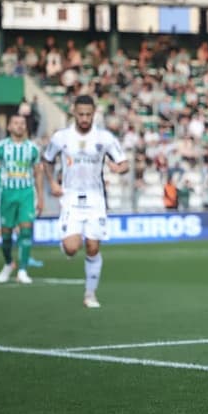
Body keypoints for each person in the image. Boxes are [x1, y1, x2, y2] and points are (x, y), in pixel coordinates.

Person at [43, 95, 129, 308]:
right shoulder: (61, 137)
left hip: (96, 199)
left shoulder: (104, 138)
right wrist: (52, 182)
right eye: (80, 114)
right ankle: (66, 244)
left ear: (94, 114)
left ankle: (90, 294)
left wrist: (119, 168)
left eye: (88, 114)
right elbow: (46, 160)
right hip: (70, 197)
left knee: (92, 246)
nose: (84, 118)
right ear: (73, 112)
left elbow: (124, 162)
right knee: (73, 248)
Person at [0, 115, 44, 284]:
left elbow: (38, 173)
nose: (20, 126)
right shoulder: (1, 147)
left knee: (26, 230)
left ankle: (22, 270)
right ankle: (9, 263)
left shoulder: (33, 148)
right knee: (6, 235)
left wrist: (41, 197)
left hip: (26, 193)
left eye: (22, 123)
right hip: (6, 194)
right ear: (9, 127)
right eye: (16, 123)